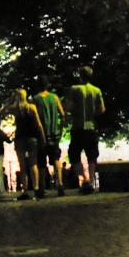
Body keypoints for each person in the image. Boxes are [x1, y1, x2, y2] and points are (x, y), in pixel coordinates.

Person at [65, 65, 106, 194]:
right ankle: (92, 181)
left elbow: (69, 107)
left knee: (74, 154)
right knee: (92, 155)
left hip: (78, 126)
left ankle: (84, 179)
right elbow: (102, 109)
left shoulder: (74, 89)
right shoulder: (96, 90)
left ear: (80, 76)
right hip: (92, 127)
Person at [4, 89, 46, 200]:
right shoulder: (31, 108)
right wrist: (42, 138)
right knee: (33, 164)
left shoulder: (15, 109)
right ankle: (36, 189)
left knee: (22, 166)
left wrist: (12, 99)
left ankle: (25, 191)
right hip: (32, 138)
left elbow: (4, 109)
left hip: (20, 139)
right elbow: (38, 124)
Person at [32, 77, 66, 196]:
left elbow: (33, 118)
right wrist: (60, 130)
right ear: (48, 85)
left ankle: (41, 188)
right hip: (54, 134)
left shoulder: (35, 99)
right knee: (56, 159)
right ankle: (60, 184)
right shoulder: (55, 97)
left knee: (41, 162)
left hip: (41, 135)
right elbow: (62, 115)